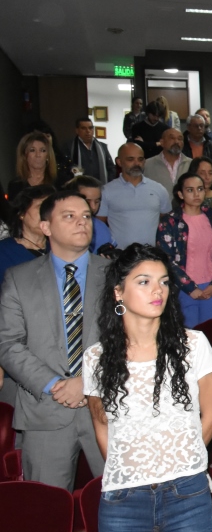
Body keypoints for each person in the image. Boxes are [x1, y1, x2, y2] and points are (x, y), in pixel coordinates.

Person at [82, 244, 212, 532]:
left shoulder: (194, 344)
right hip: (124, 502)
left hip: (186, 495)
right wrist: (133, 467)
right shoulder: (96, 359)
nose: (157, 290)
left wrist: (183, 458)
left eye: (163, 281)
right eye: (143, 282)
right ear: (119, 291)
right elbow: (103, 429)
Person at [0, 191, 109, 490]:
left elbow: (130, 338)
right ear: (46, 227)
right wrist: (55, 384)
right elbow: (7, 343)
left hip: (107, 409)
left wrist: (86, 380)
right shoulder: (18, 278)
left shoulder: (117, 276)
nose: (81, 223)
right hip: (44, 409)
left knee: (125, 508)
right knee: (46, 516)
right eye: (69, 216)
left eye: (86, 216)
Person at [156, 173, 212, 328]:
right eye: (190, 190)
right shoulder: (170, 222)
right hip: (183, 289)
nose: (196, 194)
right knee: (187, 339)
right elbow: (165, 258)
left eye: (200, 189)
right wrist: (190, 288)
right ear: (180, 194)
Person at [97, 143, 172, 247]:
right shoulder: (106, 190)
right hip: (119, 256)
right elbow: (99, 225)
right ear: (119, 162)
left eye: (140, 159)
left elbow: (166, 222)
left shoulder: (159, 189)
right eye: (130, 159)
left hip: (151, 256)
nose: (137, 163)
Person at [0, 185, 55, 278]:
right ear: (22, 213)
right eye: (41, 207)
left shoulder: (61, 248)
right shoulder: (4, 252)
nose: (48, 214)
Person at [66, 176, 117, 255]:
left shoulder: (101, 227)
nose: (93, 207)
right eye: (88, 201)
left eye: (97, 201)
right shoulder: (61, 226)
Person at [9, 130, 64, 199]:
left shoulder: (60, 182)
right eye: (32, 150)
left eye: (43, 150)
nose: (38, 155)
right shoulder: (15, 185)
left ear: (48, 155)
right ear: (24, 155)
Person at [143, 127, 192, 197]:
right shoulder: (147, 164)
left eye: (180, 139)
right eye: (172, 138)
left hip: (184, 207)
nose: (176, 142)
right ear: (162, 142)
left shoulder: (191, 164)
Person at [65, 117, 116, 183]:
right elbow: (66, 169)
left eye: (90, 128)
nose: (88, 131)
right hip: (79, 186)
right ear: (77, 130)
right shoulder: (70, 147)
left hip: (101, 186)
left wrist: (109, 183)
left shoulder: (102, 147)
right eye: (83, 128)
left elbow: (111, 168)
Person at [183, 113, 212, 184]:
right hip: (188, 184)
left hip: (211, 186)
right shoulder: (182, 146)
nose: (199, 128)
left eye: (201, 126)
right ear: (188, 127)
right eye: (196, 126)